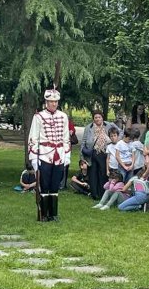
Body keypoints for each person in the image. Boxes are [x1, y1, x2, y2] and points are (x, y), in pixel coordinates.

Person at [27, 88, 71, 222]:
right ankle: (44, 214)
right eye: (51, 101)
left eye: (56, 101)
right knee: (44, 185)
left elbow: (66, 137)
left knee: (55, 184)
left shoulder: (63, 116)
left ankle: (53, 213)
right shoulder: (38, 117)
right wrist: (34, 158)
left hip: (59, 155)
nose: (54, 104)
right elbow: (33, 138)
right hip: (44, 155)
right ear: (46, 102)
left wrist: (67, 156)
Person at [81, 112, 117, 201]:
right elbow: (83, 142)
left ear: (102, 118)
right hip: (92, 153)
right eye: (95, 117)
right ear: (93, 118)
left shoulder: (108, 125)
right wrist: (82, 159)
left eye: (99, 117)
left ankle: (102, 193)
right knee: (92, 173)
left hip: (104, 152)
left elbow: (119, 131)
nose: (97, 119)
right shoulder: (89, 127)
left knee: (103, 173)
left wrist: (116, 140)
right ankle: (94, 194)